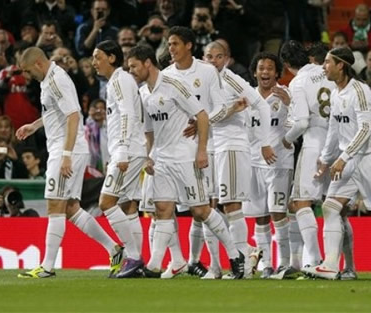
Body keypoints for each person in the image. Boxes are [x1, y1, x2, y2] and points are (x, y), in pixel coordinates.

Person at [126, 44, 245, 279]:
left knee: (201, 210)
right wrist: (149, 156)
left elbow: (201, 115)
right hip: (162, 160)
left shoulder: (173, 86)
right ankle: (154, 265)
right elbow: (148, 131)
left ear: (147, 63)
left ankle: (234, 254)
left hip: (184, 157)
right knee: (163, 210)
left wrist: (201, 151)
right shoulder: (143, 93)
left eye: (133, 66)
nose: (131, 71)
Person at [16, 47, 124, 279]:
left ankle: (46, 267)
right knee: (71, 208)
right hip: (68, 149)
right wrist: (33, 126)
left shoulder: (56, 80)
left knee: (55, 205)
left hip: (67, 150)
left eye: (27, 71)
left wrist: (66, 154)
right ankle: (114, 249)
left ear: (37, 64)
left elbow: (74, 115)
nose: (27, 76)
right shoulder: (48, 80)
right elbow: (55, 112)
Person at [307, 47, 371, 280]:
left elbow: (366, 129)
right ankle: (330, 264)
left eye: (328, 62)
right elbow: (334, 129)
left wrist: (342, 157)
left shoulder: (360, 91)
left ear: (341, 65)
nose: (324, 66)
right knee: (330, 207)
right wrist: (326, 159)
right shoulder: (336, 93)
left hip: (370, 159)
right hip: (347, 161)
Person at [203, 41, 275, 279]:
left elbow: (262, 106)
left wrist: (265, 142)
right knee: (216, 208)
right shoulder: (205, 81)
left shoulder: (232, 79)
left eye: (218, 56)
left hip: (232, 147)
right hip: (215, 148)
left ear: (227, 59)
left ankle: (242, 263)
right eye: (209, 56)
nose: (213, 61)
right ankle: (245, 255)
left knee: (232, 206)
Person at [273, 40, 337, 279]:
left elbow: (301, 122)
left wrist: (287, 139)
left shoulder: (298, 81)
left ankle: (315, 260)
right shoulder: (326, 71)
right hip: (337, 144)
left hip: (314, 144)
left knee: (300, 202)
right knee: (335, 205)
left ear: (287, 64)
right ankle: (340, 263)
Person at [92, 40, 147, 278]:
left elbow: (128, 115)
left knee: (106, 203)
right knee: (127, 206)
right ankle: (136, 262)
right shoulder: (115, 81)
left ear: (112, 58)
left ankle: (133, 258)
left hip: (130, 151)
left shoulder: (120, 80)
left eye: (98, 57)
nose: (94, 62)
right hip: (128, 150)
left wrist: (122, 150)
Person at [244, 51, 294, 278]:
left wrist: (289, 104)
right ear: (255, 72)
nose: (265, 72)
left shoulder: (286, 95)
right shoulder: (247, 98)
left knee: (278, 213)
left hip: (279, 163)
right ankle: (265, 264)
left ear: (277, 73)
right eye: (261, 68)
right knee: (260, 216)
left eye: (270, 69)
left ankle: (284, 262)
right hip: (252, 163)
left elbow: (300, 123)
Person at [84, 99, 109, 174]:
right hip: (91, 169)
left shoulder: (109, 128)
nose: (98, 111)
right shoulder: (87, 130)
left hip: (108, 164)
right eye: (95, 109)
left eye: (101, 108)